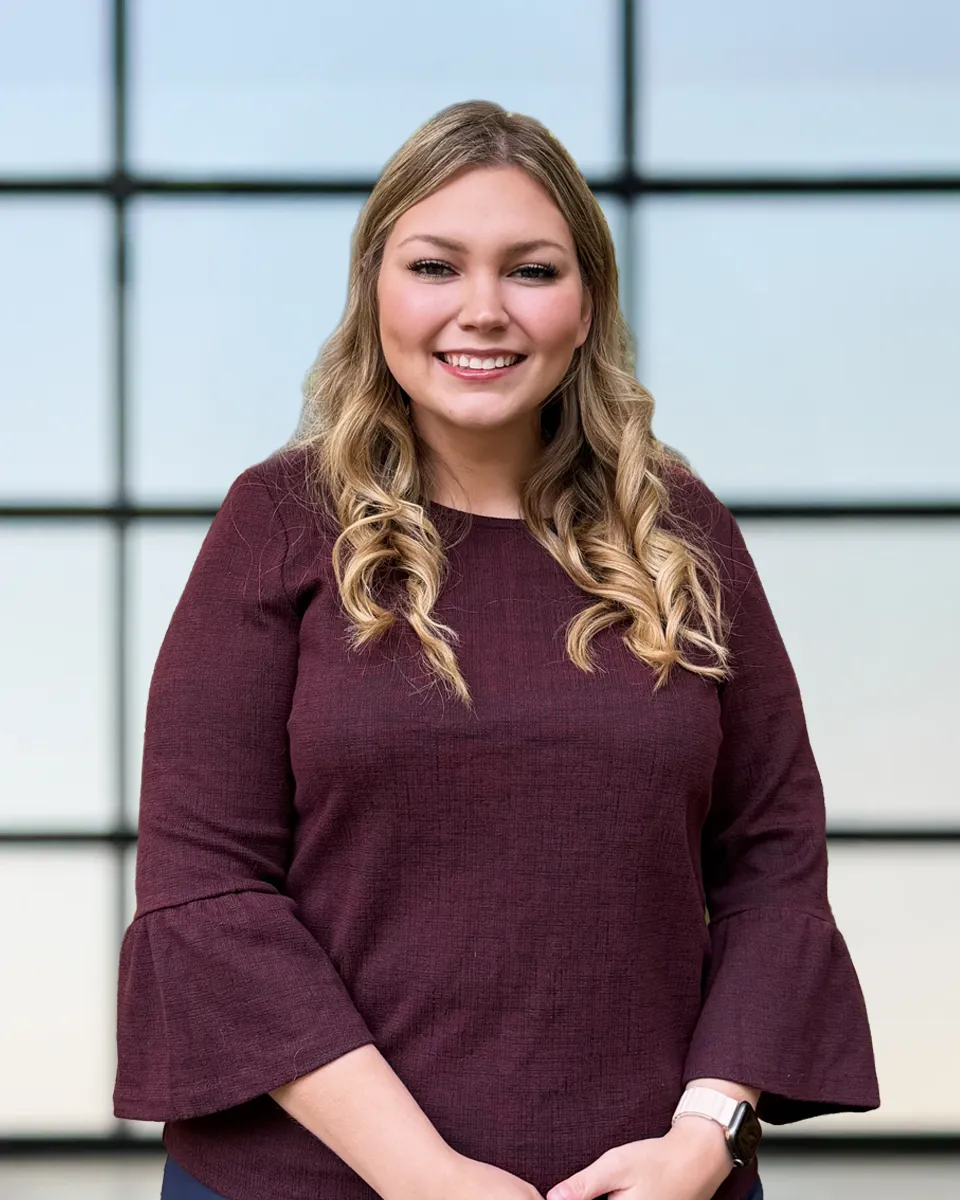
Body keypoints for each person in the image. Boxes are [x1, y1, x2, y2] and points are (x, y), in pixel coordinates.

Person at [113, 99, 880, 1200]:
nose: (483, 311)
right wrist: (422, 1174)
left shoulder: (682, 534)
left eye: (531, 270)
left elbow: (773, 866)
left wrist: (708, 1137)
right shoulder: (277, 523)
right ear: (376, 289)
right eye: (435, 266)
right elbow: (208, 890)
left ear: (587, 301)